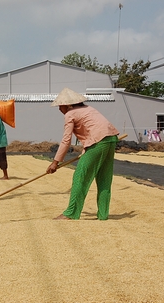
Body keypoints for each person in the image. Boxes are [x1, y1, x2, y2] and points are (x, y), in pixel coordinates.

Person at [46, 87, 119, 220]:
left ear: (67, 105)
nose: (59, 109)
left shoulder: (70, 114)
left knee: (80, 177)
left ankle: (71, 213)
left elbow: (66, 140)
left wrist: (55, 162)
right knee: (104, 178)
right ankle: (103, 215)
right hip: (110, 139)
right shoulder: (89, 109)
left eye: (60, 106)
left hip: (98, 142)